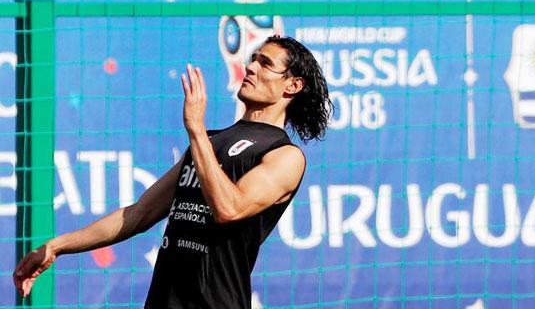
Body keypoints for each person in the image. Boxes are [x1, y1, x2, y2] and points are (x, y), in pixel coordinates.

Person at [13, 35, 333, 308]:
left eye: (265, 63)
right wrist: (57, 246)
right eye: (253, 59)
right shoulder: (210, 141)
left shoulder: (284, 156)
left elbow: (229, 208)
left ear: (292, 84)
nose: (250, 67)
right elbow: (138, 214)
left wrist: (195, 128)